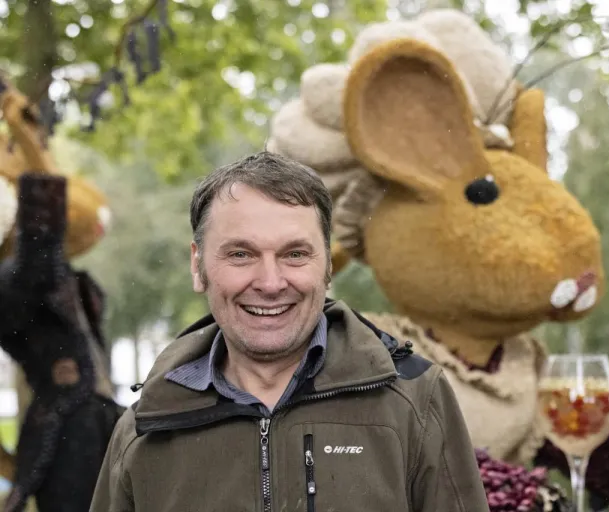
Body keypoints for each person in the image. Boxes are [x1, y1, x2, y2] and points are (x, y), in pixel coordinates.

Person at [89, 151, 490, 512]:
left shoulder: (414, 401)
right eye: (241, 254)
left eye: (294, 254)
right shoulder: (147, 426)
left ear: (328, 266)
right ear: (198, 266)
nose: (270, 281)